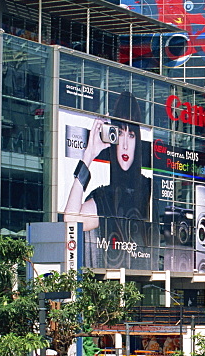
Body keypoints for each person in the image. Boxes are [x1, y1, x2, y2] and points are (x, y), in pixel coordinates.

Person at [62, 91, 150, 269]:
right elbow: (70, 224)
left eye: (131, 135)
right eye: (120, 134)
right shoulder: (105, 196)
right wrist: (89, 154)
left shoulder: (148, 186)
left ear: (137, 140)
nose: (125, 144)